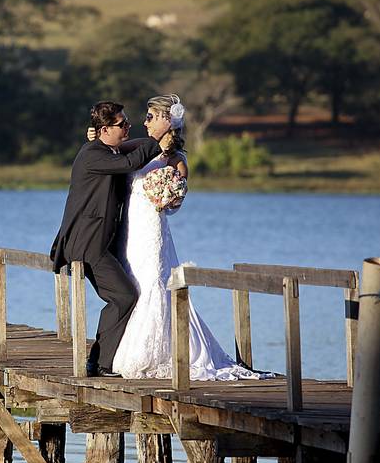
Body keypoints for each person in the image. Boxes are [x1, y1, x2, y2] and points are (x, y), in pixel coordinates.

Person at [92, 94, 264, 380]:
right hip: (130, 233)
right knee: (132, 285)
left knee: (153, 284)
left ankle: (155, 354)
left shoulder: (176, 159)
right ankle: (120, 350)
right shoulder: (142, 148)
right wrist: (93, 136)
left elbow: (174, 206)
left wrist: (166, 196)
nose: (144, 123)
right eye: (145, 117)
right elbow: (111, 150)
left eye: (150, 117)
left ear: (165, 120)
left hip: (152, 232)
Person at [50, 101, 171, 377]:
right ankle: (99, 362)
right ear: (105, 129)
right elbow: (131, 161)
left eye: (128, 123)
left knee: (121, 296)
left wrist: (160, 137)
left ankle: (99, 360)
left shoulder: (104, 148)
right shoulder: (94, 155)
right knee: (124, 296)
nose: (128, 127)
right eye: (123, 124)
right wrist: (155, 137)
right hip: (88, 243)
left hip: (99, 242)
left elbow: (130, 149)